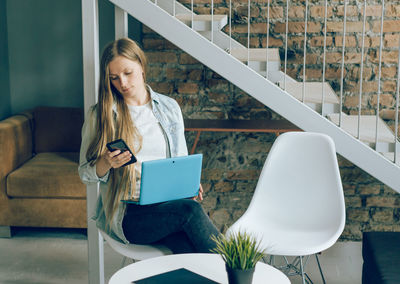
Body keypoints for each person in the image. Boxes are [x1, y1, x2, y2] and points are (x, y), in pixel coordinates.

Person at [78, 37, 220, 254]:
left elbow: (179, 161)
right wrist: (106, 162)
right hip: (129, 215)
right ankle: (239, 265)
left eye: (128, 73)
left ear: (142, 68)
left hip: (167, 207)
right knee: (190, 212)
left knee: (187, 251)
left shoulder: (169, 108)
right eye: (114, 78)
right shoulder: (100, 115)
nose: (122, 84)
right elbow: (85, 174)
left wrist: (188, 185)